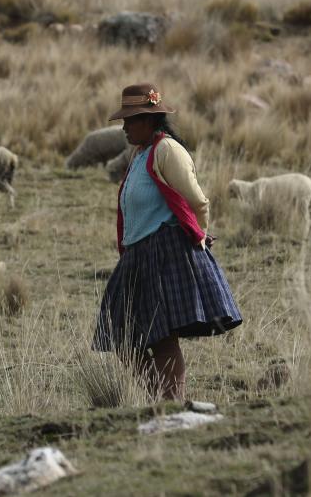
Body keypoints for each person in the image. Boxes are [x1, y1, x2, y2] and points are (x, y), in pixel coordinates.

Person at [92, 83, 242, 400]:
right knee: (123, 337)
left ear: (148, 120)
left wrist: (196, 238)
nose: (124, 128)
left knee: (162, 338)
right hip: (138, 256)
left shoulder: (167, 151)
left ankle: (169, 403)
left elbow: (197, 201)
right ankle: (163, 399)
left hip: (165, 253)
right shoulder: (140, 154)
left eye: (129, 120)